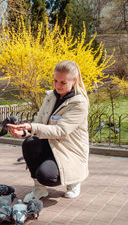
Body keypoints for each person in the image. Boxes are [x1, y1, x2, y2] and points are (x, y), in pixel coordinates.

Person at [8, 60, 89, 203]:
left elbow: (61, 130)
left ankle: (74, 181)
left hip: (69, 151)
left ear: (74, 80)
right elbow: (39, 123)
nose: (57, 85)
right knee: (29, 143)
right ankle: (39, 188)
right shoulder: (50, 96)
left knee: (47, 176)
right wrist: (24, 132)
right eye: (55, 80)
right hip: (50, 145)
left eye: (63, 82)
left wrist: (31, 128)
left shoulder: (79, 103)